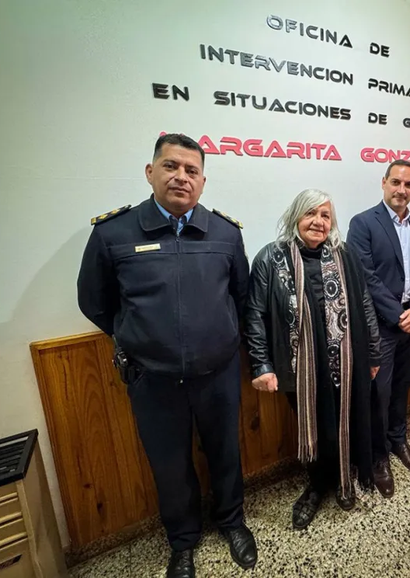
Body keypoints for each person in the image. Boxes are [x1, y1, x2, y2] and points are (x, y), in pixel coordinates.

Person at [77, 134, 257, 577]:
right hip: (152, 379)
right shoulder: (113, 233)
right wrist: (139, 338)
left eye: (191, 170)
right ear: (150, 172)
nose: (181, 177)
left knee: (225, 453)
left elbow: (242, 295)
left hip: (218, 373)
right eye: (171, 166)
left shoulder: (226, 233)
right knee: (169, 463)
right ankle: (182, 542)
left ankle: (232, 522)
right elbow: (94, 301)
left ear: (203, 180)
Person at [244, 189, 381, 530]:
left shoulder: (344, 255)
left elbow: (364, 305)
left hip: (346, 363)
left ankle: (344, 478)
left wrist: (373, 353)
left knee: (346, 421)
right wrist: (261, 364)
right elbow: (255, 315)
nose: (318, 222)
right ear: (296, 217)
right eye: (311, 214)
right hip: (299, 369)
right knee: (317, 429)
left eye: (325, 215)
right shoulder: (270, 259)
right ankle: (319, 484)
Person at [347, 160, 410, 497]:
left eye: (408, 184)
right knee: (377, 394)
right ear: (384, 183)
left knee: (402, 386)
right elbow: (365, 276)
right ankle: (377, 456)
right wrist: (398, 314)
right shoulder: (363, 223)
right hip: (381, 329)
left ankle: (398, 440)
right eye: (396, 182)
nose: (402, 190)